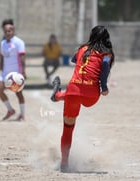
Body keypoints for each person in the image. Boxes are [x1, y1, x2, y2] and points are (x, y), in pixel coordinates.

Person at [50, 25, 115, 172]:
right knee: (81, 99)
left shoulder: (82, 49)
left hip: (73, 91)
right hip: (92, 95)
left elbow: (74, 60)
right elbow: (104, 68)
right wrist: (104, 87)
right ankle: (58, 95)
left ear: (91, 36)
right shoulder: (107, 54)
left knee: (68, 130)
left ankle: (64, 164)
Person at [0, 19, 26, 121]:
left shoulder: (19, 42)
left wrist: (23, 72)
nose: (7, 33)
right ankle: (10, 110)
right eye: (5, 31)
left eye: (9, 31)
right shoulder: (3, 43)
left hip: (16, 74)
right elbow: (1, 58)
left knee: (19, 93)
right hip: (5, 74)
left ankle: (22, 114)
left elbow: (22, 58)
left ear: (13, 30)